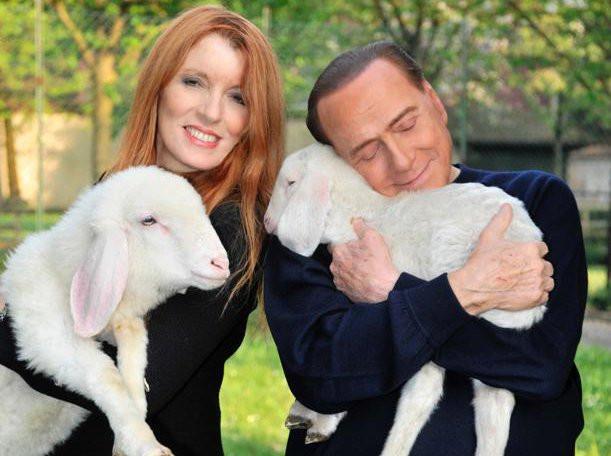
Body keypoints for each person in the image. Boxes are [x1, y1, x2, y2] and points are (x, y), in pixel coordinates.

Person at [265, 41, 586, 455]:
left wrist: (391, 290)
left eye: (405, 125)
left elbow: (539, 366)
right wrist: (466, 293)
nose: (401, 160)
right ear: (339, 160)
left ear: (434, 102)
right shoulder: (321, 234)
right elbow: (320, 376)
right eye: (368, 151)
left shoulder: (532, 200)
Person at [0, 5, 283, 455]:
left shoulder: (236, 229)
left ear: (254, 119)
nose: (212, 112)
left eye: (238, 97)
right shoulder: (118, 190)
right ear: (159, 84)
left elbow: (150, 380)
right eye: (194, 82)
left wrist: (9, 321)